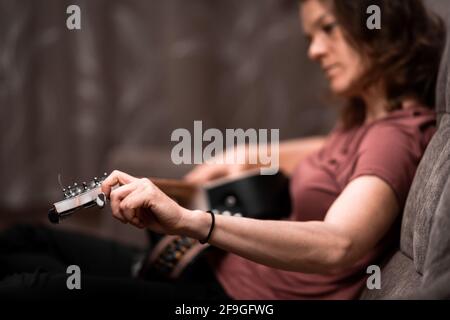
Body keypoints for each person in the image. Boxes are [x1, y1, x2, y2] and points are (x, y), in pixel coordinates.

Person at [0, 0, 445, 300]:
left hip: (229, 298)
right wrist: (224, 162)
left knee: (26, 284)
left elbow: (339, 244)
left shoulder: (395, 137)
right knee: (23, 241)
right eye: (311, 35)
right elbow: (298, 154)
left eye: (327, 30)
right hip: (211, 269)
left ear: (380, 26)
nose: (314, 51)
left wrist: (193, 222)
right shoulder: (361, 127)